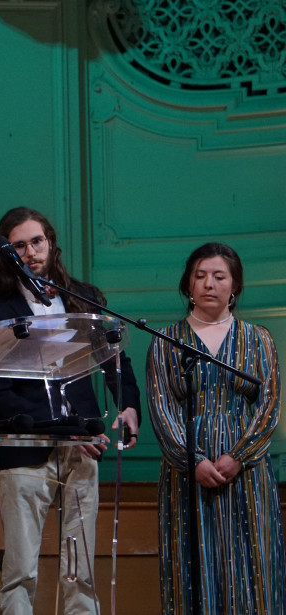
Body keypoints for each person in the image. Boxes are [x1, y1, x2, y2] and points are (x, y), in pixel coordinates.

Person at [0, 207, 141, 615]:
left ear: (51, 243)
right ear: (6, 253)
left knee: (80, 569)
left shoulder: (83, 297)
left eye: (37, 241)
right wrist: (63, 429)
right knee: (19, 568)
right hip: (26, 446)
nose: (30, 252)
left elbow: (115, 359)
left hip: (83, 446)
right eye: (19, 245)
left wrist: (130, 405)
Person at [146, 242, 285, 614]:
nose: (209, 283)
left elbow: (269, 404)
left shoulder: (258, 339)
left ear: (234, 285)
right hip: (186, 475)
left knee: (253, 569)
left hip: (247, 474)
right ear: (188, 285)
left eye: (219, 276)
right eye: (200, 275)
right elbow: (161, 405)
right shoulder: (166, 341)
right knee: (190, 566)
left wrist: (239, 456)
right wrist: (190, 459)